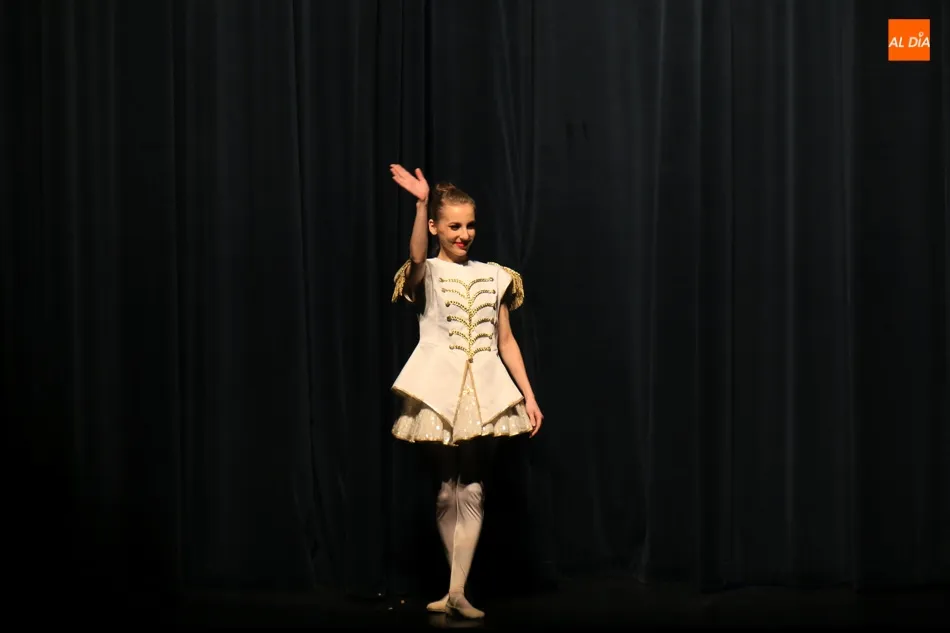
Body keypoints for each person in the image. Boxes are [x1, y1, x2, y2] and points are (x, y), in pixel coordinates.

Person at [388, 163, 544, 620]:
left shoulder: (495, 275)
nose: (464, 234)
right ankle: (453, 589)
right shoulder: (428, 272)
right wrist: (421, 205)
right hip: (439, 386)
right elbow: (417, 258)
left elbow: (506, 341)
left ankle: (457, 591)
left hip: (484, 389)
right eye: (454, 226)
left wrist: (529, 396)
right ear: (436, 227)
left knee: (472, 486)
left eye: (470, 225)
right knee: (446, 490)